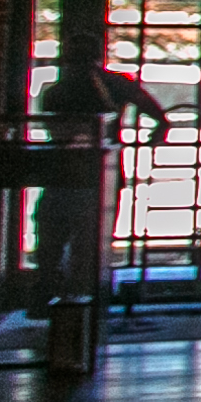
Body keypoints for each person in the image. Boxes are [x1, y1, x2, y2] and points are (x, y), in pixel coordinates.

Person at [31, 19, 175, 307]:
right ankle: (87, 302)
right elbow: (157, 114)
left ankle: (49, 296)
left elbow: (55, 132)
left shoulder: (56, 91)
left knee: (51, 236)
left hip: (62, 173)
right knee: (92, 242)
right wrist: (154, 136)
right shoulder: (113, 84)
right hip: (101, 174)